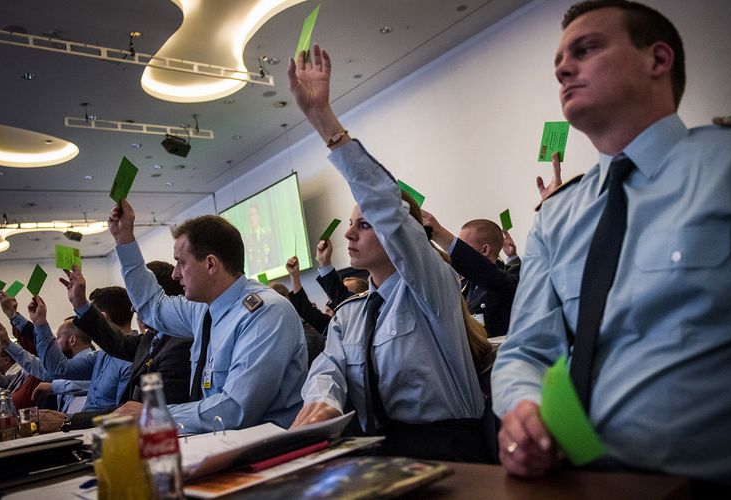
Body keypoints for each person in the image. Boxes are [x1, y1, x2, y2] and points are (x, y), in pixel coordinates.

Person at [491, 0, 731, 493]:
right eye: (558, 65)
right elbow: (524, 350)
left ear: (658, 60)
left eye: (586, 49)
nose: (564, 70)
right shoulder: (557, 217)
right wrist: (522, 408)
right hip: (585, 485)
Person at [288, 45, 492, 462]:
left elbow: (386, 206)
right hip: (380, 450)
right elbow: (329, 365)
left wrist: (322, 119)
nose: (349, 233)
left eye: (365, 224)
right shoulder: (351, 313)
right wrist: (324, 400)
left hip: (446, 450)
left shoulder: (428, 286)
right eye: (350, 223)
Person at [107, 203, 308, 433]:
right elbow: (152, 307)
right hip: (220, 442)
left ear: (211, 264)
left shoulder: (266, 313)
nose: (175, 274)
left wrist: (153, 417)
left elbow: (235, 410)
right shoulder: (202, 310)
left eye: (181, 262)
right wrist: (124, 240)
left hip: (269, 453)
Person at [61, 262, 192, 405]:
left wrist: (69, 422)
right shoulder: (152, 337)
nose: (132, 309)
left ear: (159, 299)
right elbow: (118, 342)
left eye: (138, 300)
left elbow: (155, 413)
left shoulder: (179, 346)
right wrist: (80, 303)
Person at [423, 213, 520, 338]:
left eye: (464, 246)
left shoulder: (512, 278)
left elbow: (491, 276)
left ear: (485, 250)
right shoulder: (465, 285)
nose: (460, 252)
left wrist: (439, 233)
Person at [29, 295, 131, 413]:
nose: (86, 327)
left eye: (89, 317)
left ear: (103, 318)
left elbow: (123, 414)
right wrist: (40, 323)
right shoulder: (102, 355)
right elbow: (59, 369)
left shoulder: (129, 360)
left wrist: (69, 421)